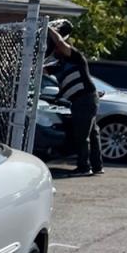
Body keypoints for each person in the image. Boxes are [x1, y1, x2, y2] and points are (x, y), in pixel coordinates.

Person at [46, 21, 102, 175]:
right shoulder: (58, 64)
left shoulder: (76, 57)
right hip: (81, 101)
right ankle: (97, 166)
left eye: (57, 48)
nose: (55, 49)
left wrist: (47, 27)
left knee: (81, 135)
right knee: (91, 134)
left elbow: (60, 42)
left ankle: (84, 167)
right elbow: (42, 71)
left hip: (86, 99)